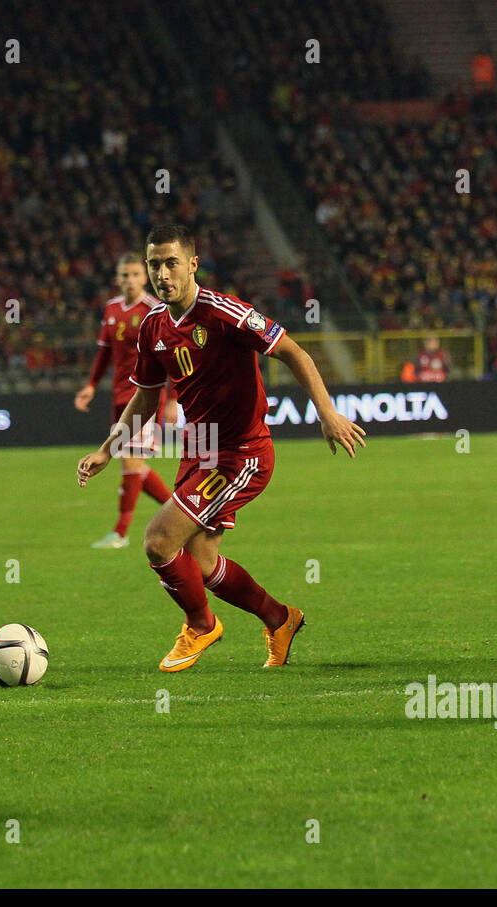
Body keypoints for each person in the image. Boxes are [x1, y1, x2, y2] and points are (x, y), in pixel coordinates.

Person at [77, 225, 366, 672]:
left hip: (242, 454)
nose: (161, 274)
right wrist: (107, 450)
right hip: (200, 449)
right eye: (154, 264)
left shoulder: (224, 312)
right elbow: (146, 398)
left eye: (171, 262)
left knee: (158, 541)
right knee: (202, 557)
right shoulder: (153, 326)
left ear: (193, 264)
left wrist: (327, 413)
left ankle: (201, 625)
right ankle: (280, 618)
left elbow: (295, 353)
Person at [74, 254, 174, 548]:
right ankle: (185, 517)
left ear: (145, 278)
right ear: (117, 278)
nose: (129, 280)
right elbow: (104, 352)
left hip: (145, 395)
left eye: (134, 274)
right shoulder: (111, 308)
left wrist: (173, 398)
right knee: (136, 466)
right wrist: (91, 385)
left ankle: (120, 533)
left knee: (130, 461)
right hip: (119, 395)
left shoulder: (154, 309)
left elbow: (170, 356)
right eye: (124, 275)